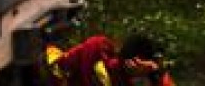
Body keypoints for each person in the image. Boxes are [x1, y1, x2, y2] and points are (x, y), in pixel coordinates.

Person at [44, 33, 174, 86]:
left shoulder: (98, 46)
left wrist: (156, 73)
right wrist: (156, 74)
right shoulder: (97, 52)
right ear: (133, 62)